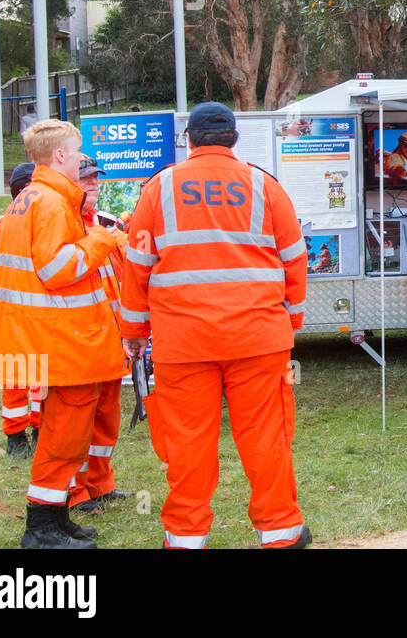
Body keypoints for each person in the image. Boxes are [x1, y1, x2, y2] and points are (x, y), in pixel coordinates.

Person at [120, 102, 311, 549]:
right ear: (234, 140)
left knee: (187, 443)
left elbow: (137, 268)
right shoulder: (266, 186)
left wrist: (133, 333)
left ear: (188, 139)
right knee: (266, 437)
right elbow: (295, 260)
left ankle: (185, 538)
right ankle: (281, 532)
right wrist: (291, 320)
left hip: (182, 342)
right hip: (258, 338)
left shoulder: (158, 189)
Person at [0, 120, 122, 548]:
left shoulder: (31, 199)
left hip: (45, 340)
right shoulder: (50, 202)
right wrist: (101, 239)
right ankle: (42, 527)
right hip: (61, 343)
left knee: (61, 436)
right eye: (78, 150)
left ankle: (54, 518)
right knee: (62, 438)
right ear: (59, 157)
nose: (84, 158)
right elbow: (57, 269)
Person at [67, 157, 132, 515]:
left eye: (95, 178)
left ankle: (100, 483)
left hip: (109, 340)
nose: (92, 183)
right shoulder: (64, 226)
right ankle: (73, 491)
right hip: (77, 341)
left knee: (106, 416)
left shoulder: (104, 224)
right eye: (85, 178)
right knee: (75, 423)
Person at [0, 162, 43, 458]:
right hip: (15, 310)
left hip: (29, 308)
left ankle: (37, 427)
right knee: (18, 374)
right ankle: (15, 435)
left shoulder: (12, 220)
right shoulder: (6, 224)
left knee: (39, 372)